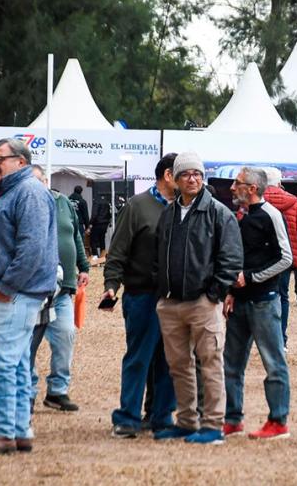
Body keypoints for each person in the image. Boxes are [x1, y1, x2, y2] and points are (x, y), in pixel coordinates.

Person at [0, 138, 58, 456]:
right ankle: (19, 430)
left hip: (14, 295)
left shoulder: (28, 192)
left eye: (0, 159)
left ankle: (4, 432)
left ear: (21, 162)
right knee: (17, 364)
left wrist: (7, 288)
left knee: (1, 364)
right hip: (14, 293)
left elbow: (32, 247)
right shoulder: (11, 192)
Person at [153, 152, 242, 445]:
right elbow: (158, 254)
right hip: (171, 303)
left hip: (203, 302)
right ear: (175, 179)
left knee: (210, 364)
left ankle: (213, 425)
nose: (192, 179)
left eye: (197, 174)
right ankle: (187, 421)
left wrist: (214, 294)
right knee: (179, 366)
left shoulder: (218, 213)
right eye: (186, 174)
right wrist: (162, 290)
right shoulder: (168, 213)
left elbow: (231, 258)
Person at [102, 153, 178, 439]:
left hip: (175, 298)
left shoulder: (185, 207)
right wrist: (112, 284)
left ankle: (161, 416)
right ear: (168, 175)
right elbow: (118, 249)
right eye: (183, 173)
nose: (189, 179)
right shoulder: (137, 206)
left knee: (169, 360)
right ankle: (127, 418)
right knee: (139, 358)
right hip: (142, 295)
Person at [222, 167, 293, 439]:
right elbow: (241, 258)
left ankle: (278, 421)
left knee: (273, 362)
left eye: (237, 183)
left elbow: (286, 258)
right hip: (240, 302)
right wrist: (232, 291)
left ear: (252, 188)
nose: (231, 187)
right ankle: (232, 419)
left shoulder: (271, 215)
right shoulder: (242, 217)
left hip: (264, 301)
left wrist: (251, 277)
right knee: (231, 364)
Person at [29, 165, 90, 412]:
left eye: (39, 180)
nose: (36, 185)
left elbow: (75, 235)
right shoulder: (25, 205)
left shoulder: (63, 202)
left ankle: (57, 391)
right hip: (34, 290)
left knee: (66, 335)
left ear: (46, 181)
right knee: (28, 345)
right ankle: (26, 393)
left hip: (63, 289)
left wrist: (83, 266)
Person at [261, 167, 297, 344]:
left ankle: (261, 338)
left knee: (258, 297)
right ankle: (281, 339)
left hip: (260, 259)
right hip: (284, 257)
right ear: (279, 183)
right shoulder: (294, 202)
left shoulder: (254, 200)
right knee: (282, 295)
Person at [90, 193, 112, 257]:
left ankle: (96, 257)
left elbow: (94, 214)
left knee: (93, 241)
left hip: (97, 224)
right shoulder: (106, 202)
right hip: (104, 224)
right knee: (102, 240)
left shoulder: (96, 202)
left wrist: (90, 223)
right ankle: (102, 256)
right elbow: (109, 213)